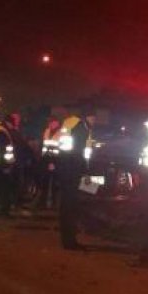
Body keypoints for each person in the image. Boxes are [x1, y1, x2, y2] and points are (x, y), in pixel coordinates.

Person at [57, 107, 97, 249]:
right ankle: (70, 240)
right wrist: (86, 172)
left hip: (65, 170)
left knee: (67, 205)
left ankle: (67, 238)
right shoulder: (81, 128)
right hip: (74, 172)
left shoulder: (70, 123)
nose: (95, 121)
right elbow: (79, 154)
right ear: (88, 117)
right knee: (72, 205)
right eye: (94, 118)